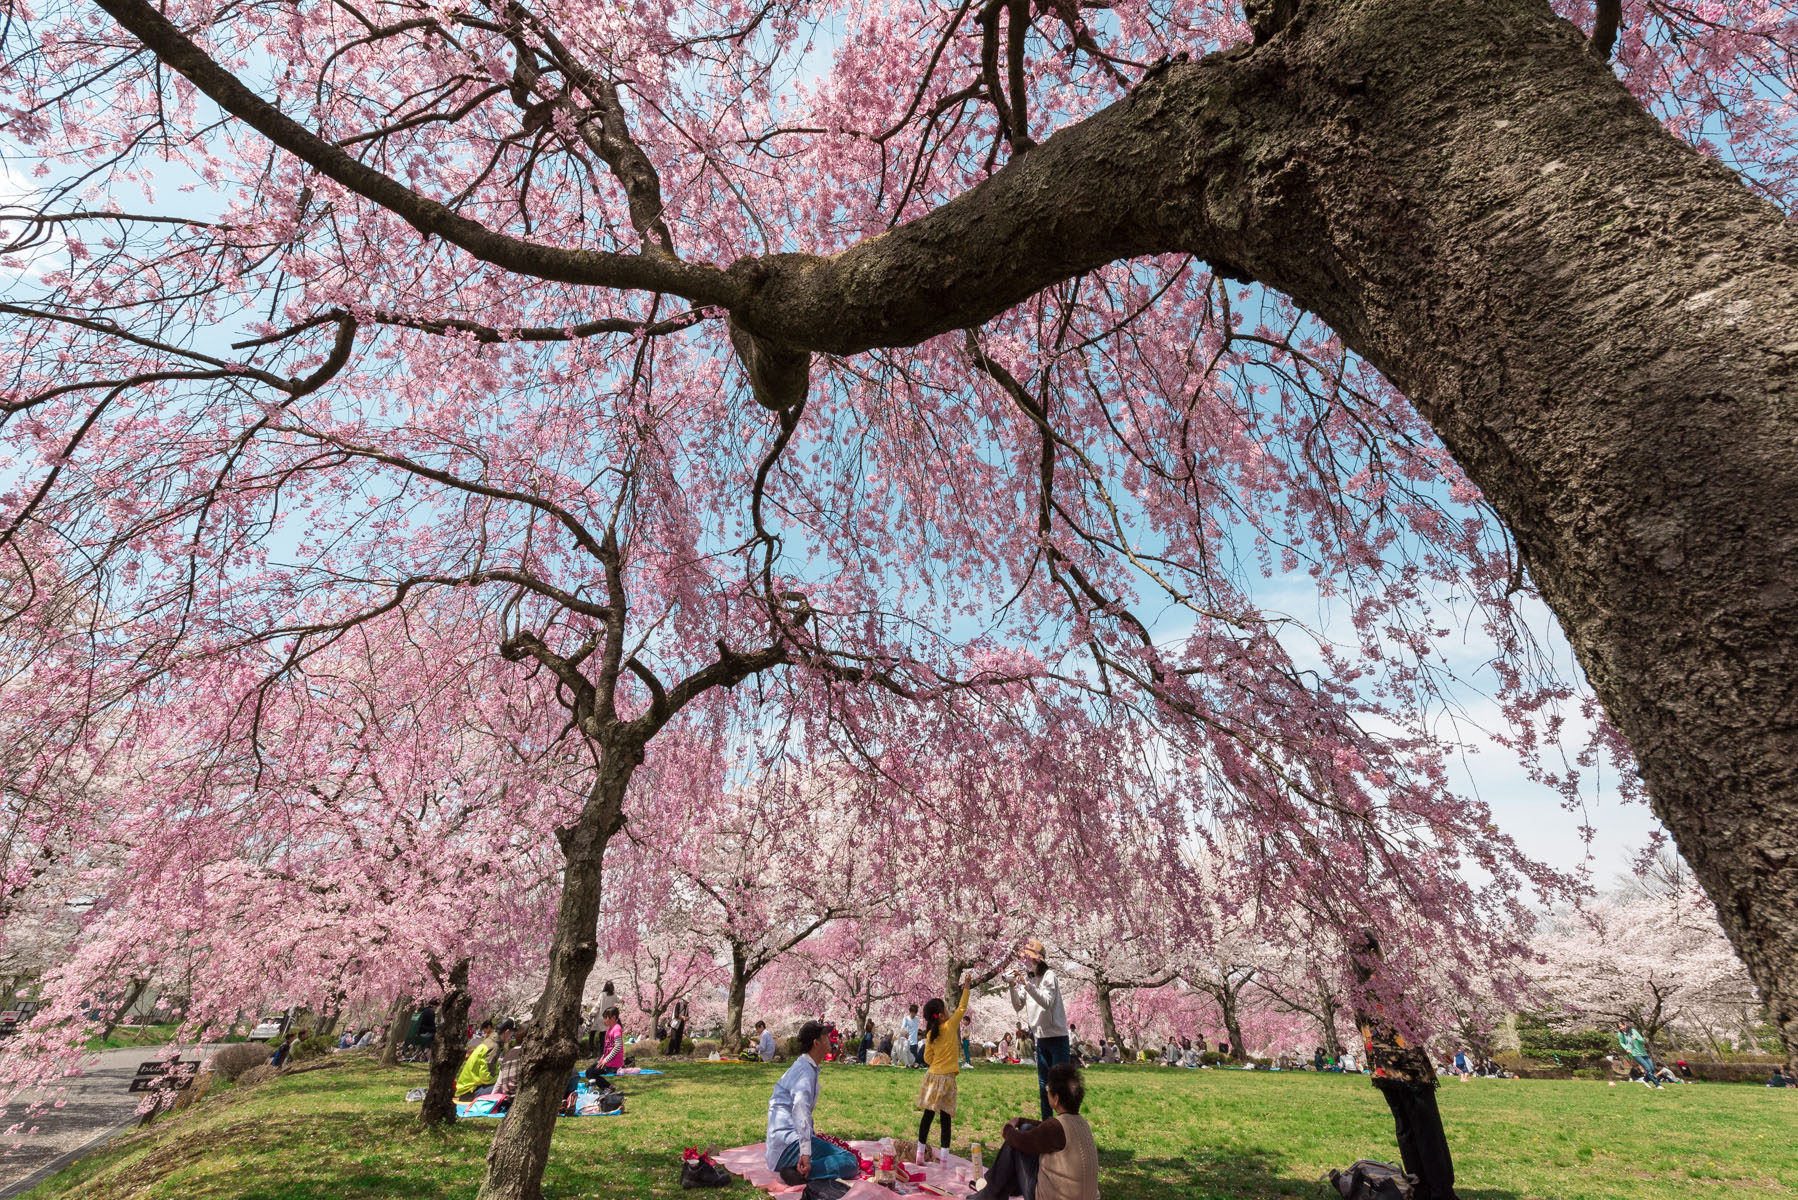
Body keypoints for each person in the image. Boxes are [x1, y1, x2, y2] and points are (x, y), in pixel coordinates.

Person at [1353, 931, 1460, 1200]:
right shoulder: (1386, 983)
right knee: (1428, 1129)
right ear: (1375, 953)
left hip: (1382, 1069)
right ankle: (1440, 1189)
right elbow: (1411, 1025)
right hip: (1409, 1067)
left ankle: (1420, 1186)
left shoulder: (1357, 988)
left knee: (1406, 1129)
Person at [971, 1062, 1098, 1200]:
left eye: (1048, 1089)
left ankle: (989, 1194)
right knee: (1026, 1129)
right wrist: (1020, 1121)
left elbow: (1019, 1140)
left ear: (1055, 1099)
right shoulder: (1079, 1123)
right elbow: (1043, 1127)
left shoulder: (1056, 1128)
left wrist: (1008, 1129)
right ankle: (995, 1191)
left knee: (1016, 1142)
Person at [766, 1021, 860, 1185]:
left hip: (781, 1144)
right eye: (825, 1036)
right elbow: (801, 1109)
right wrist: (805, 1152)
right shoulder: (805, 1072)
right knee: (849, 1161)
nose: (829, 1039)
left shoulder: (805, 1067)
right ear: (816, 1043)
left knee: (838, 1154)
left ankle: (798, 1168)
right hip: (788, 1145)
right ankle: (800, 1171)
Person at [1007, 938, 1069, 1121]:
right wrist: (1013, 986)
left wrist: (1027, 985)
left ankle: (1066, 1126)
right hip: (1041, 1039)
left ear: (1038, 960)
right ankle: (1047, 1124)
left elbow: (1046, 1002)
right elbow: (1018, 1005)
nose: (1027, 963)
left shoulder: (1050, 976)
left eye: (1030, 959)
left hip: (1057, 1038)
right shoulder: (1030, 980)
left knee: (1060, 1086)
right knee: (1044, 1086)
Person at [917, 973, 973, 1152]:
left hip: (932, 1077)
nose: (950, 1011)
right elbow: (962, 1008)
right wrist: (967, 987)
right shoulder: (949, 1027)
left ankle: (919, 1152)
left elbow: (927, 1058)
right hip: (947, 1078)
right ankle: (944, 1157)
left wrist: (936, 1062)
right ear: (941, 1015)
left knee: (928, 1115)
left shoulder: (930, 1034)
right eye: (946, 1009)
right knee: (945, 1119)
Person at [456, 1020, 513, 1100]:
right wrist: (501, 1078)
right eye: (511, 1034)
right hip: (469, 1093)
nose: (511, 1038)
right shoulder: (494, 1046)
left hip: (466, 1090)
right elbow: (486, 1077)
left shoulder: (489, 1041)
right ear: (507, 1032)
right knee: (506, 1086)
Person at [1615, 1020, 1663, 1090]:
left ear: (1625, 1024)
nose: (1621, 1028)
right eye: (1619, 1027)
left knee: (1652, 1069)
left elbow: (1642, 1041)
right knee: (1648, 1068)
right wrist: (1626, 1048)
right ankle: (1657, 1085)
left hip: (1643, 1052)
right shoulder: (1620, 1034)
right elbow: (1621, 1043)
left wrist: (1636, 1038)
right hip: (1635, 1054)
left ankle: (1645, 1080)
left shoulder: (1633, 1031)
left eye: (1622, 1026)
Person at [902, 1003, 922, 1069]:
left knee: (915, 1057)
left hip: (915, 1042)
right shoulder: (906, 1019)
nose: (913, 1015)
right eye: (912, 1013)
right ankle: (908, 1065)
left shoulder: (916, 1019)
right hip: (908, 1042)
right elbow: (902, 1029)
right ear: (910, 1012)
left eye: (915, 1013)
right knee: (909, 1056)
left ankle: (914, 1066)